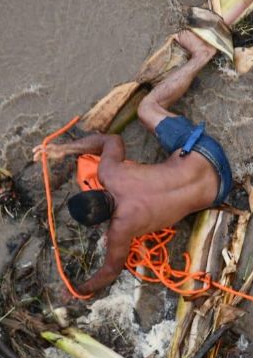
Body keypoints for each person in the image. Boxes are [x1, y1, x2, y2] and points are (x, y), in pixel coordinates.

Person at [32, 30, 232, 298]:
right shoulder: (110, 174)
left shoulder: (121, 229)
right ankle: (198, 56)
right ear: (94, 189)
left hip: (221, 189)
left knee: (147, 111)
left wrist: (77, 290)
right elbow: (110, 141)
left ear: (101, 223)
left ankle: (202, 55)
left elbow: (110, 271)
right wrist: (64, 149)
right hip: (205, 152)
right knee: (147, 108)